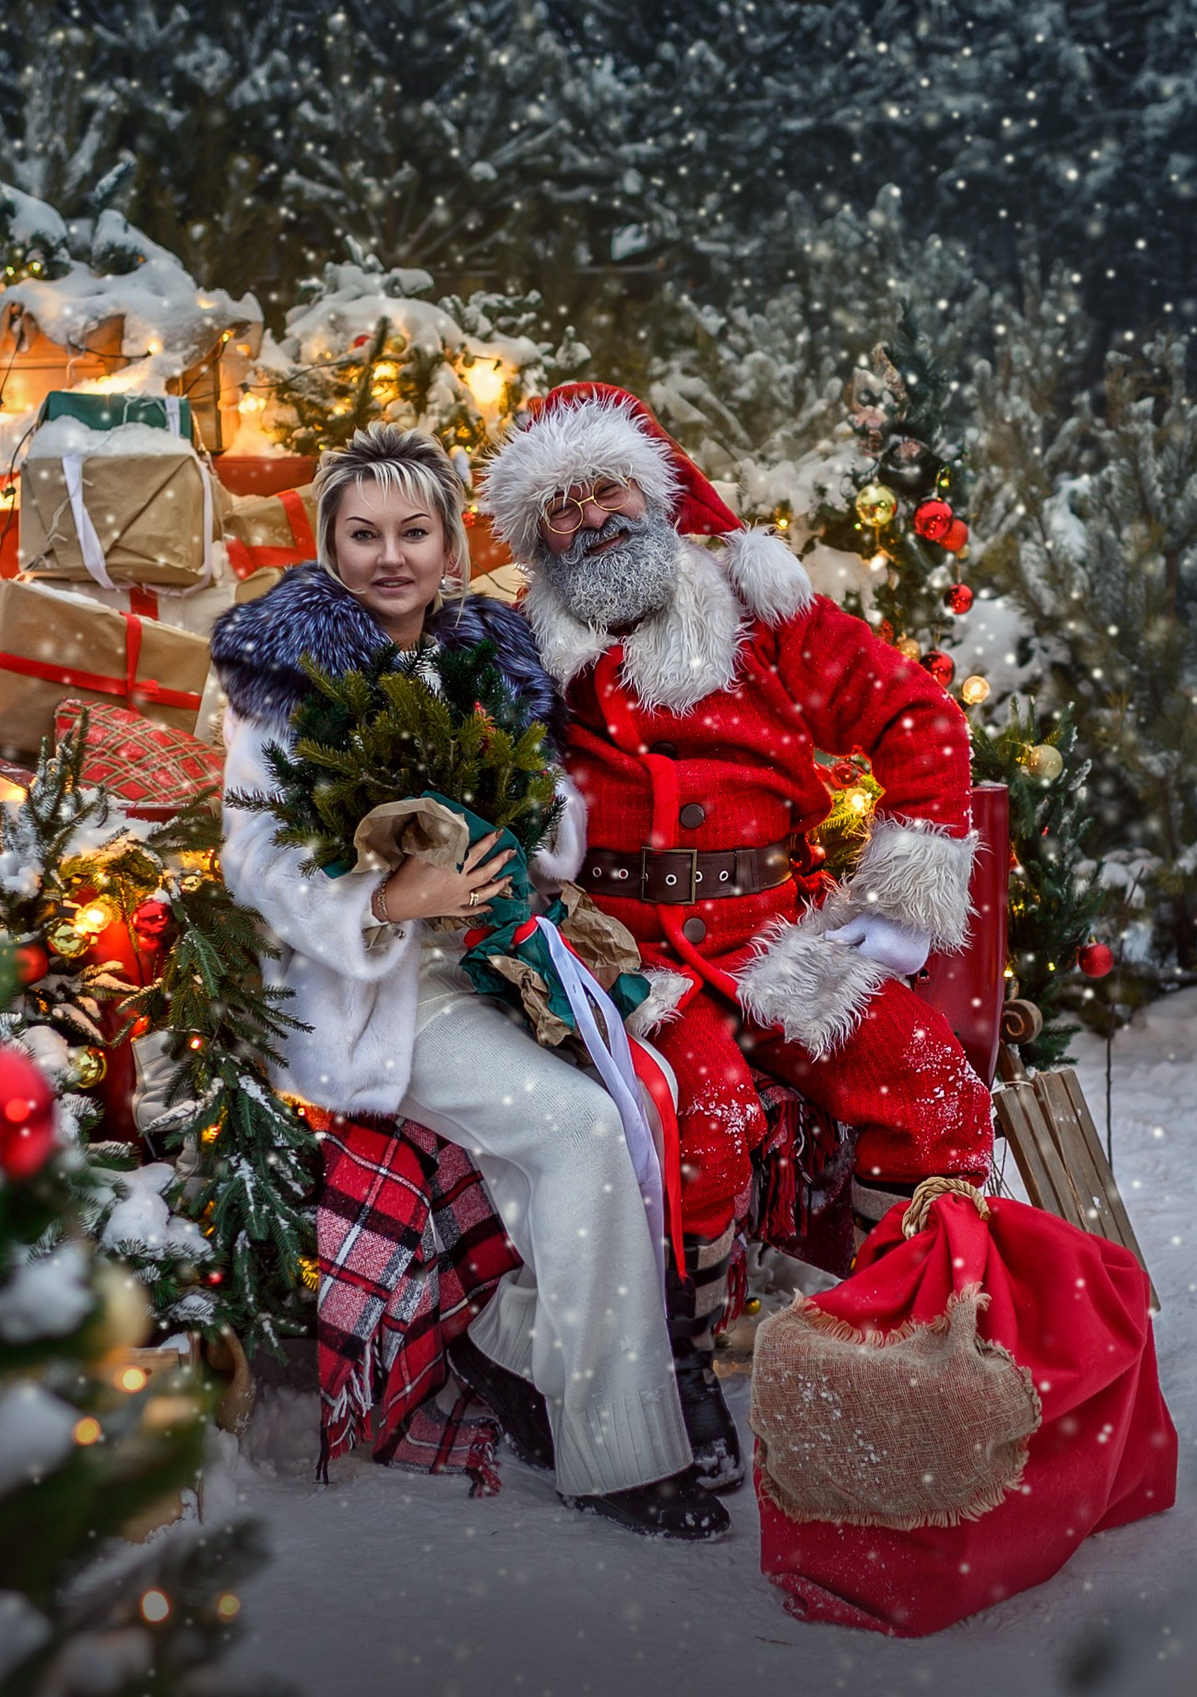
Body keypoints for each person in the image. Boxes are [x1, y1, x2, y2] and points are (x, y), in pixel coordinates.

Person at [210, 424, 728, 1540]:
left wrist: (521, 832)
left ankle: (514, 1343)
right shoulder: (282, 673)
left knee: (650, 1094)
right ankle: (622, 1451)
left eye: (412, 531)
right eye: (362, 534)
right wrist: (385, 903)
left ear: (450, 545)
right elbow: (250, 857)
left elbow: (559, 819)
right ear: (327, 542)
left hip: (506, 955)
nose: (387, 556)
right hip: (382, 984)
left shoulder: (491, 656)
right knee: (581, 1129)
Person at [478, 382, 996, 1492]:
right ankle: (679, 1367)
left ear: (653, 489)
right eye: (559, 508)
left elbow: (919, 718)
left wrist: (898, 905)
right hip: (631, 949)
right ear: (536, 537)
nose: (592, 519)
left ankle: (904, 1343)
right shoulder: (519, 650)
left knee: (929, 1084)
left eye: (607, 486)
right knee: (703, 1119)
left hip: (778, 932)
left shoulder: (759, 610)